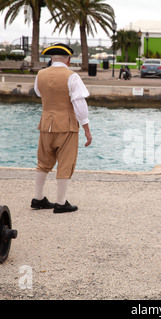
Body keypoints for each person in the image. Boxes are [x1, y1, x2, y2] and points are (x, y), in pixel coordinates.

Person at [30, 43, 92, 213]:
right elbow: (79, 103)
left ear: (51, 58)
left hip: (45, 125)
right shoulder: (71, 76)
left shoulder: (40, 74)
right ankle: (60, 202)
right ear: (69, 60)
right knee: (65, 163)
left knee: (43, 162)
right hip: (66, 125)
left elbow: (39, 93)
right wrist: (87, 129)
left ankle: (38, 198)